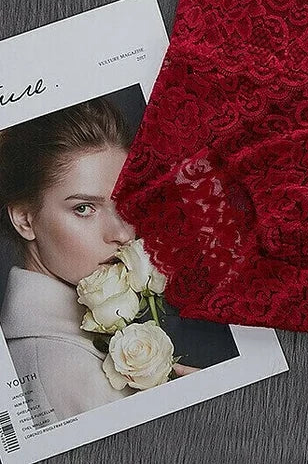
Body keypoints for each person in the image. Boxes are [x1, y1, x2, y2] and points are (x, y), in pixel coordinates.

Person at [0, 98, 202, 427]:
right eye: (83, 208)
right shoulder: (69, 372)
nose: (121, 233)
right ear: (24, 219)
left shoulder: (69, 345)